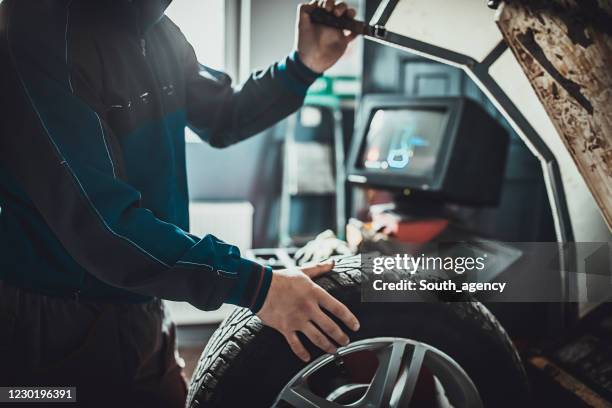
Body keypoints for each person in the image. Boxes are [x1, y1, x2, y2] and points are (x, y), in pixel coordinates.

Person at [0, 0, 360, 406]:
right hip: (52, 322)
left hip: (142, 304)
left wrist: (302, 66)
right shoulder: (34, 33)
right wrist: (258, 286)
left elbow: (224, 115)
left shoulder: (157, 29)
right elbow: (103, 227)